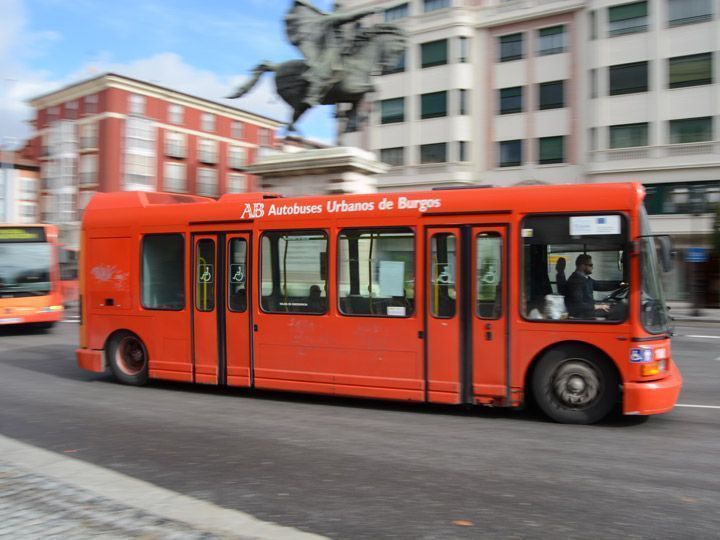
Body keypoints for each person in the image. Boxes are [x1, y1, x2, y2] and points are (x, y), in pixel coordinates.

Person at [284, 0, 379, 108]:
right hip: (331, 49)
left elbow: (350, 31)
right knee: (325, 69)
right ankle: (313, 95)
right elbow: (349, 17)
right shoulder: (331, 18)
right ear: (335, 11)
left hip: (344, 50)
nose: (340, 12)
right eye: (338, 9)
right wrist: (368, 11)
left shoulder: (342, 25)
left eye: (340, 10)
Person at [564, 254, 617, 319]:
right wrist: (598, 306)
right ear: (582, 266)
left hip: (589, 309)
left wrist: (619, 285)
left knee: (614, 306)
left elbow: (601, 286)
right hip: (582, 314)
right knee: (616, 311)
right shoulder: (575, 281)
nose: (592, 267)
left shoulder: (586, 278)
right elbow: (578, 305)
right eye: (590, 265)